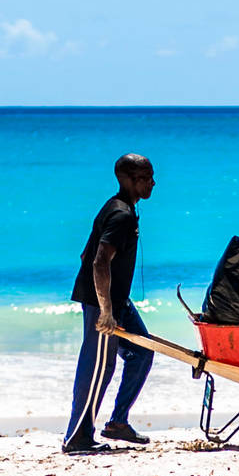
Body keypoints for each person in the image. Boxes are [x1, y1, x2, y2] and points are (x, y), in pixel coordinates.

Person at [65, 154, 157, 455]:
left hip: (116, 301)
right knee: (98, 369)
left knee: (142, 352)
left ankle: (117, 423)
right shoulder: (121, 215)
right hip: (103, 304)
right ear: (128, 179)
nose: (152, 183)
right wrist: (105, 310)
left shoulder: (118, 207)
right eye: (145, 177)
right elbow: (98, 262)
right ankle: (78, 438)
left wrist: (115, 302)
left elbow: (85, 255)